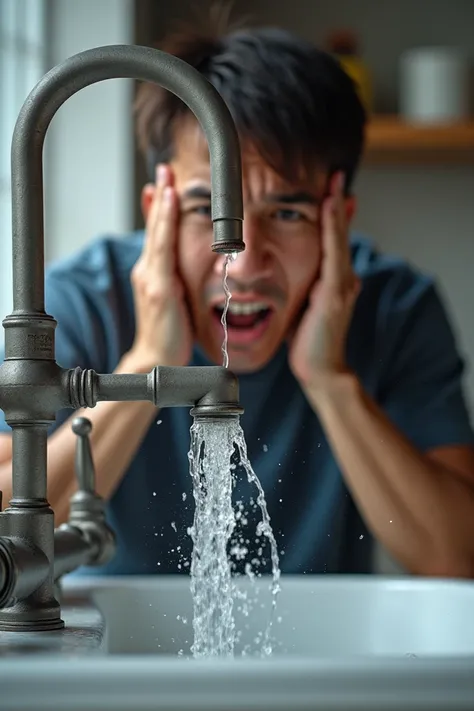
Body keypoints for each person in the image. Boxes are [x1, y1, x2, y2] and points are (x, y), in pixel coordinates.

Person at [0, 21, 474, 579]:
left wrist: (331, 380)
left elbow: (457, 559)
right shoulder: (81, 301)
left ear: (338, 220)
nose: (244, 265)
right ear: (159, 211)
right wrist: (149, 361)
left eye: (289, 214)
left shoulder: (395, 309)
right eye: (209, 211)